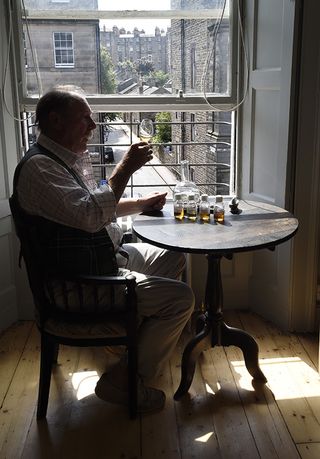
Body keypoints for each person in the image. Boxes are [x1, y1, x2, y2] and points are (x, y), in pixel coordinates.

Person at [13, 87, 195, 414]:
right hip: (81, 284)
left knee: (174, 257)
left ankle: (128, 348)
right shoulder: (41, 169)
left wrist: (142, 203)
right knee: (181, 300)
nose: (93, 127)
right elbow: (89, 214)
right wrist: (125, 167)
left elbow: (93, 207)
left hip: (101, 258)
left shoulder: (61, 160)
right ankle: (124, 380)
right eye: (85, 119)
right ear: (55, 121)